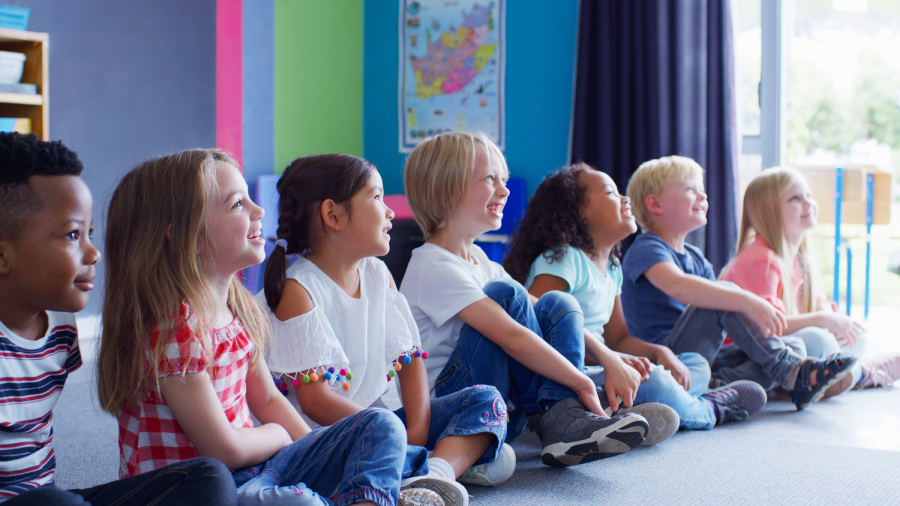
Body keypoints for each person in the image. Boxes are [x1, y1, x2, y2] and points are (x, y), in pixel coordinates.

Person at [96, 148, 446, 506]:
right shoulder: (177, 330)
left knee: (380, 426)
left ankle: (370, 491)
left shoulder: (238, 310)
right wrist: (280, 435)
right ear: (188, 236)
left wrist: (320, 451)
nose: (259, 210)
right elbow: (223, 449)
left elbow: (267, 399)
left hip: (253, 470)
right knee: (304, 502)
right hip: (200, 490)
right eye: (237, 204)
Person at [257, 154, 512, 501]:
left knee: (486, 401)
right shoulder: (298, 290)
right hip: (326, 441)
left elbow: (409, 359)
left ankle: (432, 474)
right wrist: (392, 435)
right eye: (377, 197)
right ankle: (425, 467)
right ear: (333, 215)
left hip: (382, 427)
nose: (390, 211)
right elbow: (315, 402)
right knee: (485, 452)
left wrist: (415, 433)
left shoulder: (378, 273)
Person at [0, 132, 236, 505]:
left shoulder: (60, 325)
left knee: (208, 477)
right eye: (71, 235)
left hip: (46, 496)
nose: (94, 253)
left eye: (89, 234)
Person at [399, 131, 649, 468]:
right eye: (490, 179)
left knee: (558, 303)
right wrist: (580, 381)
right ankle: (566, 416)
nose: (504, 190)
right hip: (453, 409)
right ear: (444, 189)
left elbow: (543, 308)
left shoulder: (482, 262)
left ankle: (565, 418)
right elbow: (513, 337)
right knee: (507, 295)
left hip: (501, 403)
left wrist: (608, 358)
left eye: (503, 180)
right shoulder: (433, 265)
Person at [503, 163, 767, 433]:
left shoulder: (612, 268)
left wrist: (659, 352)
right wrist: (613, 360)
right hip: (567, 377)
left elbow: (618, 340)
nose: (625, 199)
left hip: (605, 364)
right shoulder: (564, 259)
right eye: (610, 192)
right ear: (577, 211)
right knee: (657, 382)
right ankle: (710, 409)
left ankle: (637, 411)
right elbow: (541, 330)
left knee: (695, 365)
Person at [621, 155, 857, 410]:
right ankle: (791, 373)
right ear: (655, 204)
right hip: (666, 357)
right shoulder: (647, 247)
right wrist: (748, 301)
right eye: (691, 189)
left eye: (702, 189)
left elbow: (719, 316)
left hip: (702, 357)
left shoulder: (695, 257)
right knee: (726, 297)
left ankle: (719, 386)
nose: (703, 196)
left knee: (793, 345)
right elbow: (678, 285)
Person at [721, 167, 899, 391]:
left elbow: (816, 305)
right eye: (795, 198)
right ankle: (863, 373)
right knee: (819, 341)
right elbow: (768, 329)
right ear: (768, 212)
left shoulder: (795, 258)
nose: (808, 203)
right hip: (743, 354)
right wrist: (823, 319)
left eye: (808, 195)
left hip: (777, 346)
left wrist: (831, 317)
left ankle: (842, 376)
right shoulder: (761, 259)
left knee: (855, 336)